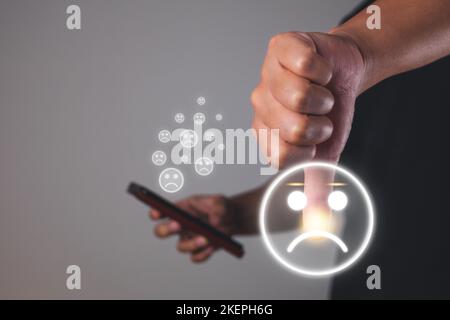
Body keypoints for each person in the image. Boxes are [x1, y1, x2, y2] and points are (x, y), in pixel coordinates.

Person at [149, 0, 450, 298]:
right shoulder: (361, 19)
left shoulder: (361, 36)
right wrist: (234, 214)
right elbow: (337, 179)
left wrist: (359, 49)